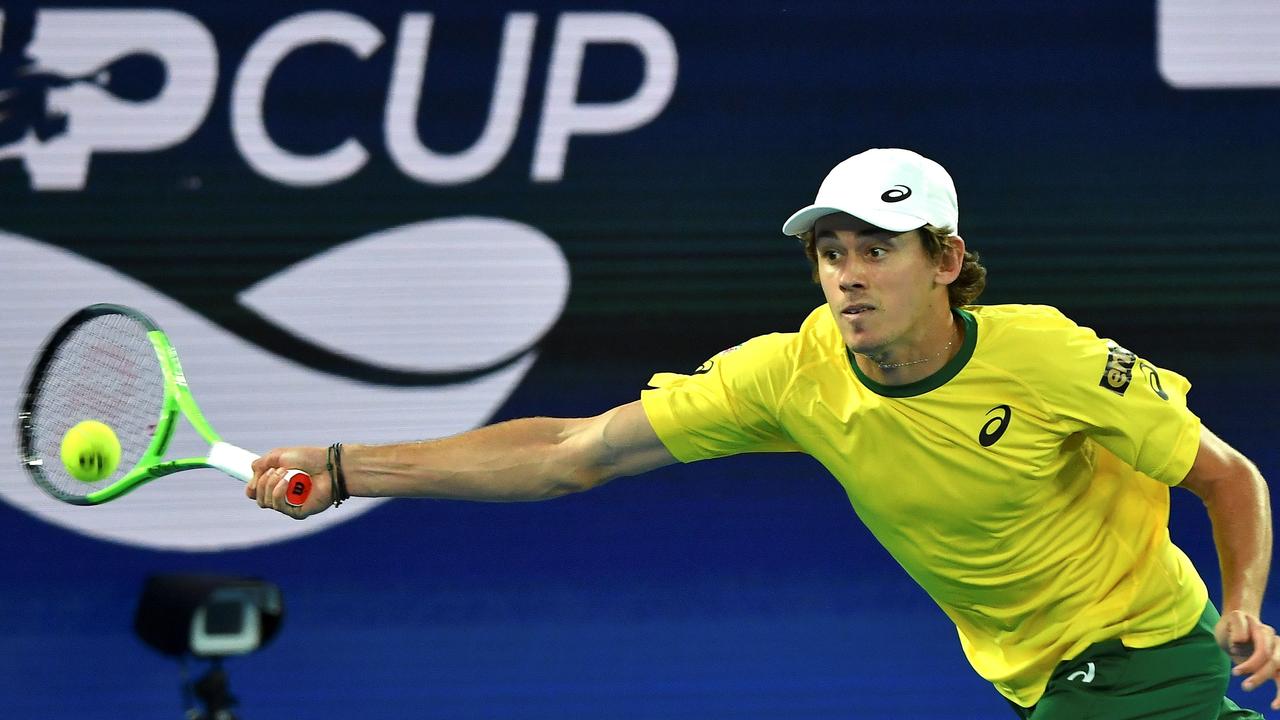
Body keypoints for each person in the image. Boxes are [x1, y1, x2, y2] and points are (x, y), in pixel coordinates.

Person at [248, 148, 1276, 719]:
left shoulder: (1045, 357)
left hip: (1133, 657)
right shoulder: (788, 375)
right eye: (830, 251)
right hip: (1034, 674)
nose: (846, 274)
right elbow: (574, 452)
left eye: (876, 249)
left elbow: (1223, 475)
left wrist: (1241, 606)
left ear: (946, 259)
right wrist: (346, 468)